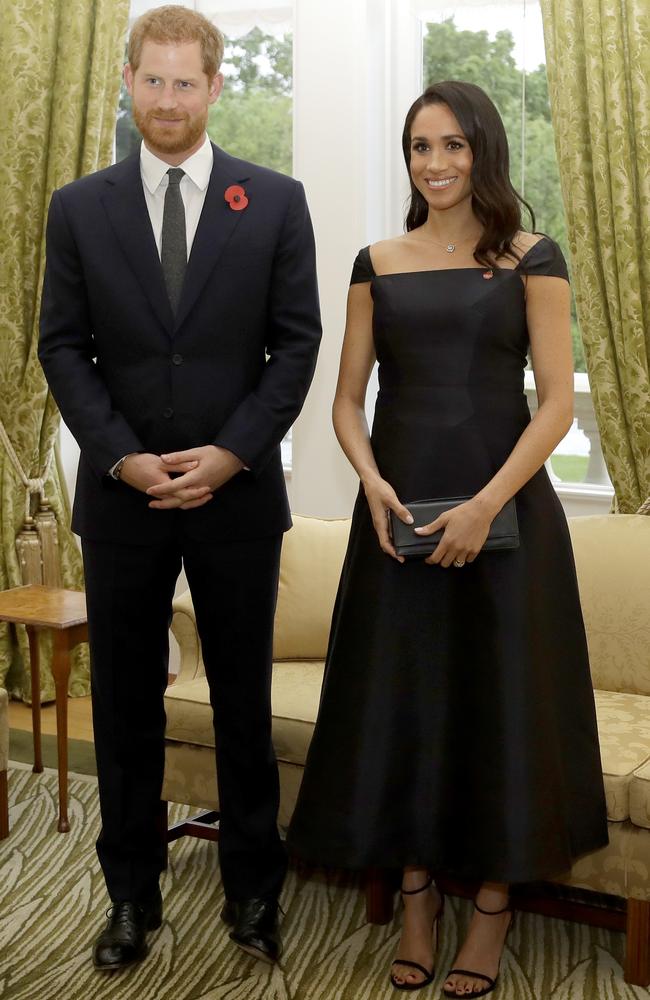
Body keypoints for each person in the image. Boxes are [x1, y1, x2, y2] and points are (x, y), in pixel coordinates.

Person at [287, 80, 607, 998]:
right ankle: (419, 898)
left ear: (483, 152)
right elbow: (348, 401)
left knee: (498, 710)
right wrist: (375, 486)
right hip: (398, 523)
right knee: (408, 708)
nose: (436, 163)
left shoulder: (530, 257)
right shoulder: (375, 260)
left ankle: (494, 911)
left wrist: (481, 505)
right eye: (421, 146)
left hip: (507, 519)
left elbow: (553, 407)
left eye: (454, 145)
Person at [39, 4, 320, 972]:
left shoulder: (274, 201)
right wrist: (119, 455)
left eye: (184, 82)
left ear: (212, 85)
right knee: (125, 707)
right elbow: (61, 349)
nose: (167, 99)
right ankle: (130, 898)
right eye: (150, 81)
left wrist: (230, 453)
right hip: (121, 502)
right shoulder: (78, 208)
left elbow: (297, 345)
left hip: (236, 500)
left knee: (242, 701)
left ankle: (252, 895)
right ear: (127, 82)